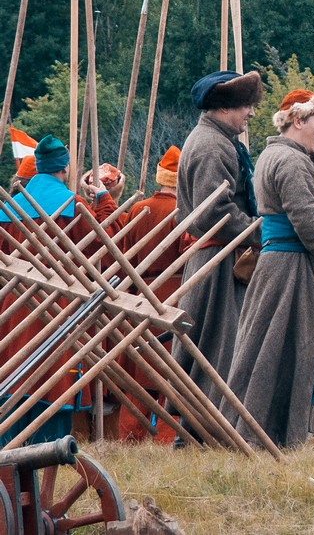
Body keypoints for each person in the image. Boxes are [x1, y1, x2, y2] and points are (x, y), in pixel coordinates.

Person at [222, 89, 314, 449]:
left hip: (287, 263)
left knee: (275, 350)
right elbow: (309, 222)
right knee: (279, 352)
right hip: (290, 267)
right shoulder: (290, 162)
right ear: (297, 121)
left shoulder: (284, 154)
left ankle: (267, 433)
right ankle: (267, 434)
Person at [0, 135, 120, 445]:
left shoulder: (10, 207)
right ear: (64, 168)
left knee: (14, 378)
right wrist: (105, 199)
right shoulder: (72, 204)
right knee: (52, 382)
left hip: (13, 307)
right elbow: (106, 246)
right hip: (58, 306)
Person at [171, 70, 263, 433]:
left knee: (218, 345)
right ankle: (204, 430)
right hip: (218, 260)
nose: (251, 114)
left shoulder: (219, 140)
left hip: (223, 256)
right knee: (217, 348)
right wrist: (259, 231)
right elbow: (214, 211)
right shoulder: (212, 145)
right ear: (225, 107)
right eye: (245, 106)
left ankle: (202, 429)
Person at [117, 146, 185, 442]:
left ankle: (130, 437)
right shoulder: (183, 211)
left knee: (138, 375)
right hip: (173, 294)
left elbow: (122, 253)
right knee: (170, 374)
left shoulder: (137, 209)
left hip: (139, 295)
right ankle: (166, 438)